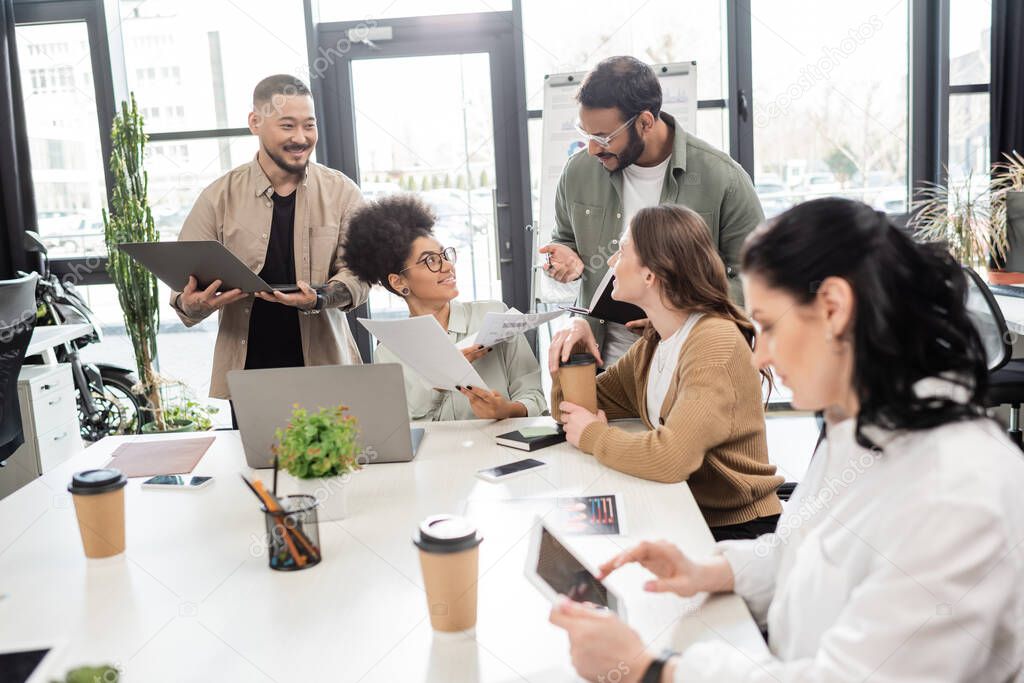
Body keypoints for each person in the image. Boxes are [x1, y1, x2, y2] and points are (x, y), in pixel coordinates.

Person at [549, 198, 1024, 682]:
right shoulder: (857, 429)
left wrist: (652, 671)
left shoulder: (955, 495)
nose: (760, 358)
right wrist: (710, 571)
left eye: (770, 326)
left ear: (834, 308)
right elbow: (798, 551)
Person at [548, 204, 781, 541]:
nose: (611, 262)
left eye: (622, 251)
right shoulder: (654, 343)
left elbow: (671, 459)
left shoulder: (713, 341)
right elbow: (572, 413)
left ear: (650, 274)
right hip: (681, 511)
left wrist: (594, 436)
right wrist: (576, 349)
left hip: (735, 529)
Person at [539, 56, 764, 364]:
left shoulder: (723, 178)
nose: (592, 149)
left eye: (603, 137)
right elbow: (564, 240)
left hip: (690, 362)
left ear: (645, 122)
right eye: (585, 134)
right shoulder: (578, 172)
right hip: (603, 362)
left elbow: (757, 278)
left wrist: (680, 315)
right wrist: (562, 258)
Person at [169, 74, 368, 402]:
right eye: (287, 126)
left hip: (327, 370)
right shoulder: (218, 197)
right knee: (258, 441)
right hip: (249, 376)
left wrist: (319, 298)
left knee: (334, 439)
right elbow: (183, 287)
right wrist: (191, 304)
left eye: (309, 125)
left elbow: (359, 275)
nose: (301, 138)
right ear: (255, 122)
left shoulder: (343, 192)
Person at [342, 194, 545, 421]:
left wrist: (506, 410)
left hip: (501, 442)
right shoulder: (388, 352)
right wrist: (440, 377)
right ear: (399, 282)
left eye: (444, 255)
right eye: (430, 260)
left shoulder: (495, 316)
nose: (448, 266)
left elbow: (534, 395)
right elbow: (400, 424)